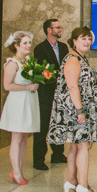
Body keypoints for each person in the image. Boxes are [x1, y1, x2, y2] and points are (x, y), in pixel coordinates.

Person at [47, 26, 97, 192]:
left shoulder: (80, 58)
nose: (87, 42)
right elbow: (71, 86)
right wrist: (80, 111)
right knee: (83, 146)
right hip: (75, 110)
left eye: (89, 38)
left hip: (78, 109)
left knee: (74, 146)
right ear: (74, 41)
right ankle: (83, 185)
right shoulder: (73, 60)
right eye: (83, 38)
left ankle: (71, 181)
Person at [0, 31, 40, 185]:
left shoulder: (28, 61)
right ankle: (16, 172)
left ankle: (19, 169)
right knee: (16, 138)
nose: (28, 45)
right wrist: (27, 87)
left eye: (29, 42)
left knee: (24, 137)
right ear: (16, 46)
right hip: (18, 101)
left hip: (28, 100)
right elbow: (6, 85)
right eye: (25, 43)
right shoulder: (12, 63)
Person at [32, 19, 68, 170]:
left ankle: (58, 154)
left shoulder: (64, 47)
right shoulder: (40, 49)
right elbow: (42, 71)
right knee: (43, 126)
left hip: (61, 93)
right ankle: (39, 159)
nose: (60, 29)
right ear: (49, 29)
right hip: (46, 93)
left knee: (59, 123)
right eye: (57, 27)